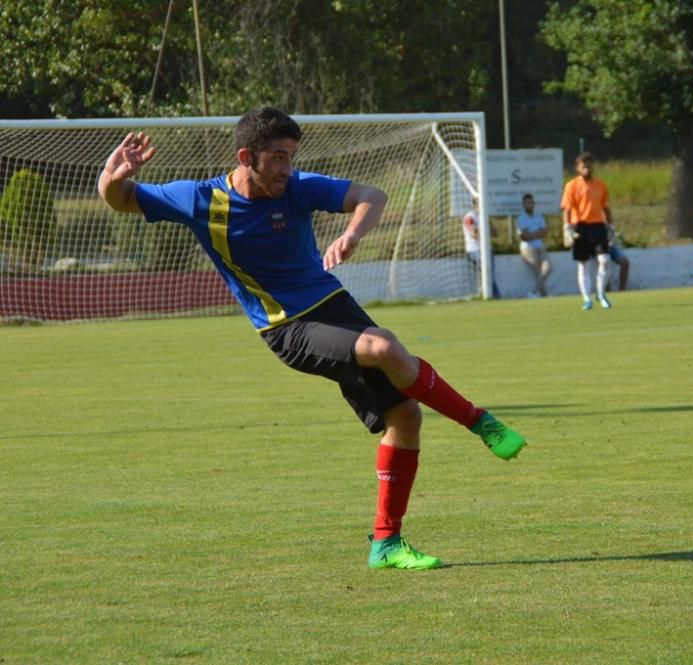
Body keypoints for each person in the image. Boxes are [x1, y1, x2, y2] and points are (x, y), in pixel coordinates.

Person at [96, 107, 526, 570]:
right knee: (383, 346)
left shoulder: (297, 189)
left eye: (291, 156)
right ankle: (479, 421)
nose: (287, 167)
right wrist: (111, 176)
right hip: (284, 325)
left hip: (333, 305)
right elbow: (122, 199)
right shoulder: (202, 200)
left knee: (405, 416)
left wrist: (353, 234)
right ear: (248, 157)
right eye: (278, 157)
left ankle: (386, 543)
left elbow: (371, 194)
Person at [561, 152, 613, 310]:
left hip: (598, 226)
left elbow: (606, 207)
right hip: (581, 227)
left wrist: (611, 226)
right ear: (577, 168)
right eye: (583, 165)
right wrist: (567, 227)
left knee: (604, 260)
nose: (587, 168)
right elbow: (567, 209)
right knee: (583, 265)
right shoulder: (571, 186)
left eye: (589, 164)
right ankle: (586, 299)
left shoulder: (601, 185)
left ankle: (600, 293)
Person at [462, 197, 501, 298]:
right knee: (486, 275)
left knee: (489, 275)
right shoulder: (469, 217)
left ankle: (491, 296)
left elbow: (495, 233)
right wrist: (484, 230)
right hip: (474, 251)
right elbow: (474, 235)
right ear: (476, 204)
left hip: (488, 249)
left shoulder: (485, 217)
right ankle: (496, 296)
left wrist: (488, 226)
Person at [515, 193, 551, 297]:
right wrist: (537, 233)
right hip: (527, 247)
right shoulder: (521, 218)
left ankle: (534, 291)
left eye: (531, 202)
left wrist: (532, 234)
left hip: (540, 246)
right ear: (523, 204)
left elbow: (544, 233)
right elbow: (525, 237)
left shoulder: (539, 217)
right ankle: (544, 295)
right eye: (527, 203)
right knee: (537, 270)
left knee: (548, 268)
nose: (530, 205)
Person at [606, 224, 631, 291]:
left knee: (625, 262)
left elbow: (611, 227)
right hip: (596, 247)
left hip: (610, 245)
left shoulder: (604, 215)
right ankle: (607, 291)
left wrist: (610, 241)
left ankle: (622, 291)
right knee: (603, 263)